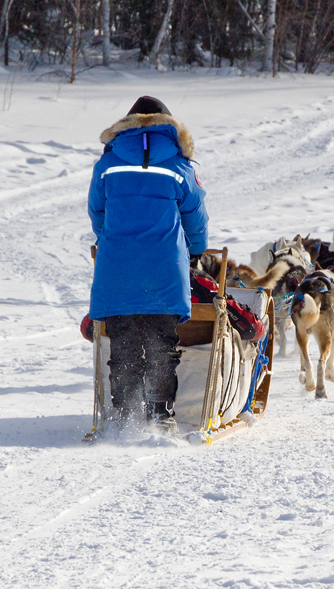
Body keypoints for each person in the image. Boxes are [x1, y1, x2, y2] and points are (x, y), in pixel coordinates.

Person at [88, 96, 208, 430]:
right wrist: (197, 249)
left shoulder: (107, 163)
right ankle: (160, 417)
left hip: (117, 268)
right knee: (161, 342)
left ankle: (125, 417)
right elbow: (195, 218)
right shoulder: (179, 165)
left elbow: (97, 213)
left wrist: (112, 239)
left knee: (124, 342)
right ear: (168, 127)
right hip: (164, 269)